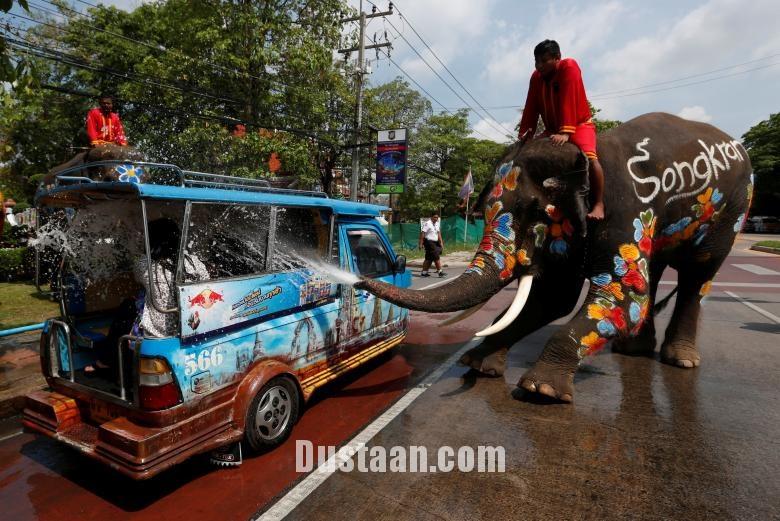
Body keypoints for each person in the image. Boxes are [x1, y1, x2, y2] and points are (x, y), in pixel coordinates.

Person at [517, 40, 605, 220]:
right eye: (536, 61)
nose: (538, 65)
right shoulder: (536, 77)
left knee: (590, 158)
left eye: (543, 60)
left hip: (578, 125)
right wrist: (527, 132)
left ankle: (598, 203)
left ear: (557, 58)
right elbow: (531, 105)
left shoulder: (569, 67)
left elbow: (568, 99)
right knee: (526, 155)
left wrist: (566, 132)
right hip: (551, 129)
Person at [418, 213, 446, 277]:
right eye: (435, 217)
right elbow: (423, 233)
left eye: (437, 217)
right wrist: (420, 243)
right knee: (436, 256)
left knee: (429, 258)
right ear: (431, 217)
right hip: (429, 242)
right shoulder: (427, 224)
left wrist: (441, 243)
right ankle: (440, 272)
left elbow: (439, 234)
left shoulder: (437, 224)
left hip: (435, 243)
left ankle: (424, 273)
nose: (436, 219)